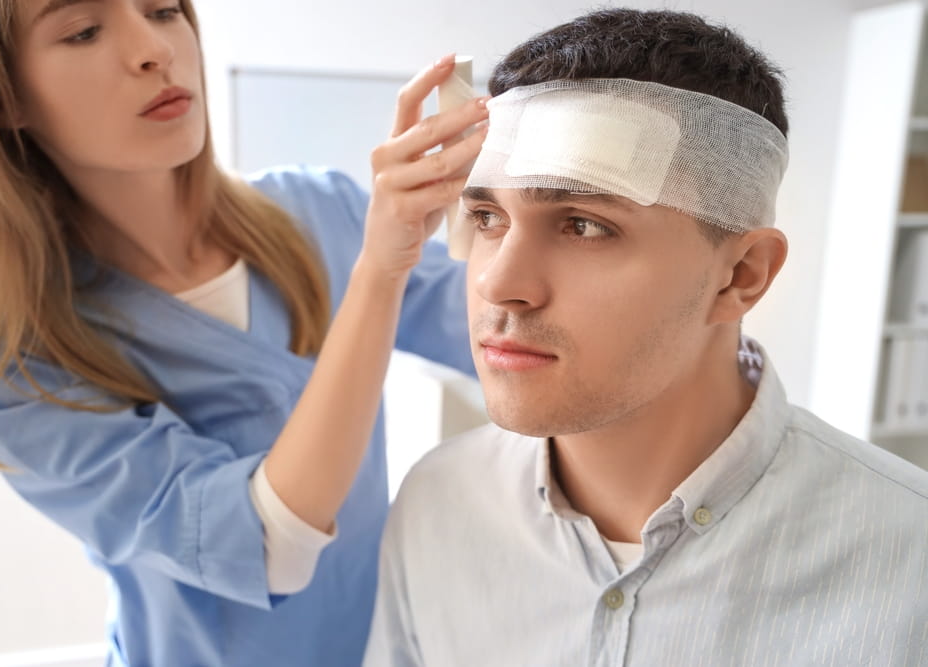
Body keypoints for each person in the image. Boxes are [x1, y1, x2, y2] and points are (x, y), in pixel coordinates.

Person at [0, 1, 488, 665]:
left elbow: (503, 333)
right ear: (1, 96)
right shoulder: (14, 372)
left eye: (164, 10)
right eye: (83, 31)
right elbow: (269, 545)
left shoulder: (319, 212)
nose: (153, 50)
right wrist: (379, 273)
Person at [365, 9, 928, 666]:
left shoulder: (909, 559)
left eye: (583, 225)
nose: (498, 283)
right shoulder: (437, 504)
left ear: (740, 276)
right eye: (487, 216)